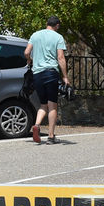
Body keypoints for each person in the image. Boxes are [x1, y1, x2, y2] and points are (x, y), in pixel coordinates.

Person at [24, 16, 70, 144]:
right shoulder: (58, 37)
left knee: (43, 104)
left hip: (37, 74)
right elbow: (60, 57)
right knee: (52, 105)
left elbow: (26, 52)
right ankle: (50, 136)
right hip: (50, 73)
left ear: (46, 24)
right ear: (57, 26)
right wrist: (65, 76)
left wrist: (30, 60)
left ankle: (37, 125)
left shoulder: (35, 35)